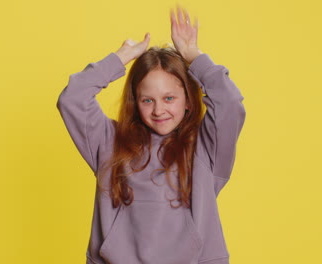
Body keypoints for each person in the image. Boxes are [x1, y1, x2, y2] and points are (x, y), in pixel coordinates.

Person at [56, 6, 246, 264]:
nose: (159, 110)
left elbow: (230, 103)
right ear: (135, 101)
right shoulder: (109, 142)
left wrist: (194, 57)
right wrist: (120, 57)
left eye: (169, 98)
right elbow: (72, 98)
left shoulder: (204, 147)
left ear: (188, 100)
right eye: (147, 100)